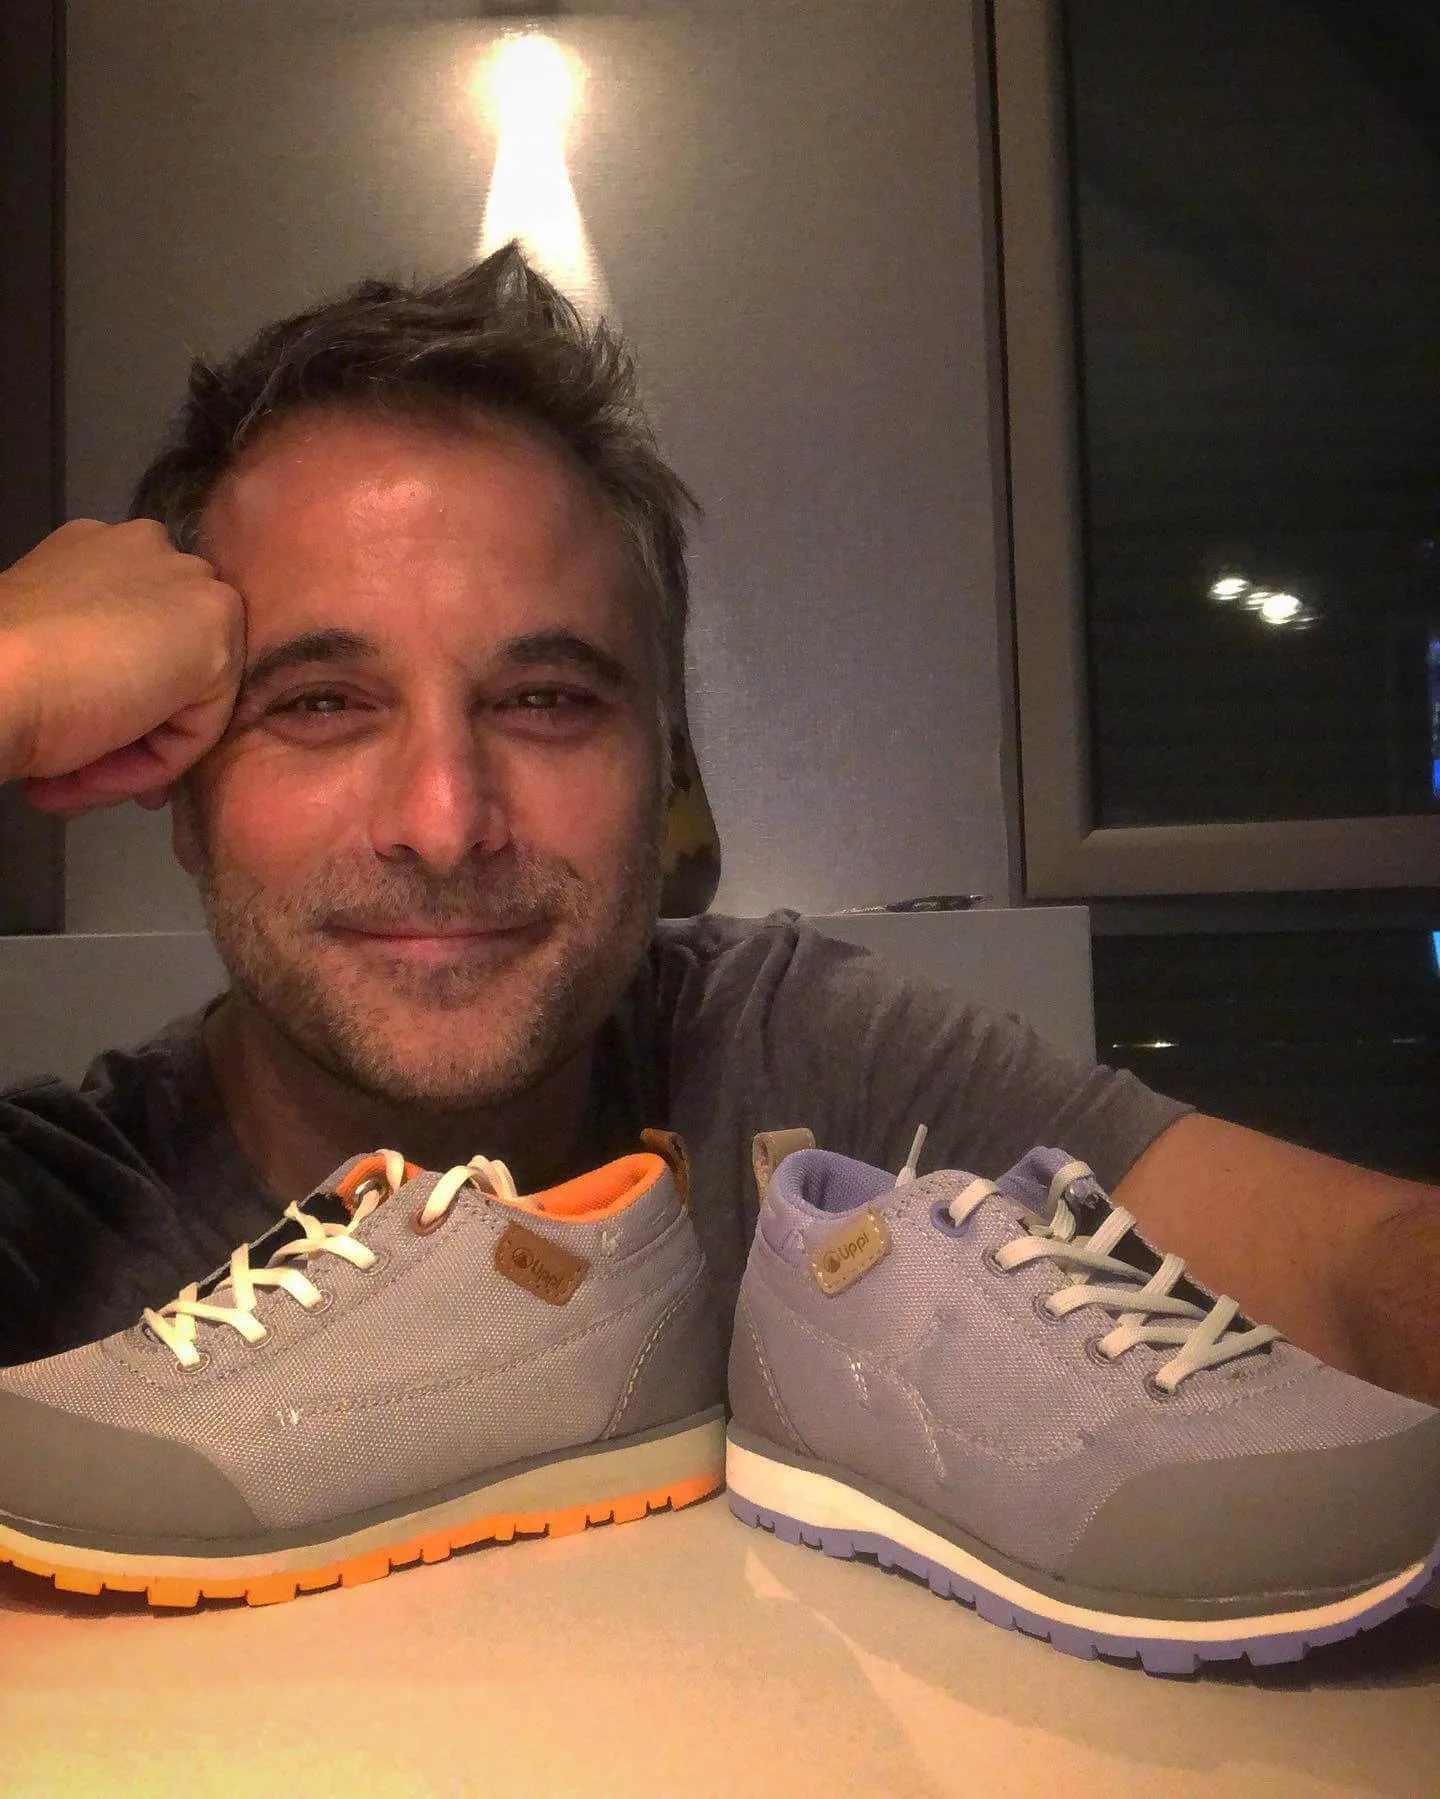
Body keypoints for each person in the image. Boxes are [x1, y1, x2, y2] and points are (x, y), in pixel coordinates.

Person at [0, 249, 1435, 1400]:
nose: (445, 821)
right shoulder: (50, 1224)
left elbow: (1355, 1266)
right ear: (179, 792)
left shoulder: (797, 1069)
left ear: (665, 765)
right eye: (319, 704)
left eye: (547, 700)